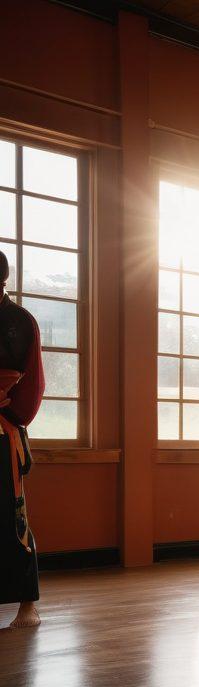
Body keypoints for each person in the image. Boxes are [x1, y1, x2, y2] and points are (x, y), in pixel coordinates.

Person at [0, 250, 44, 628]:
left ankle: (27, 606)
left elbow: (33, 381)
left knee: (12, 516)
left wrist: (12, 414)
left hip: (4, 427)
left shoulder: (20, 322)